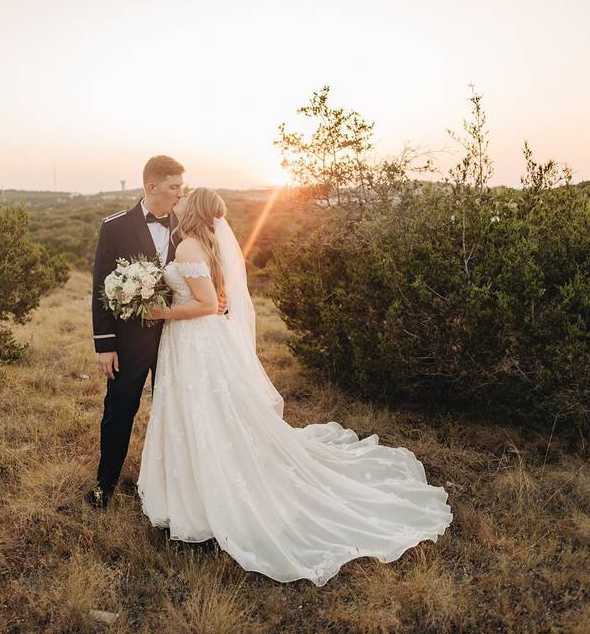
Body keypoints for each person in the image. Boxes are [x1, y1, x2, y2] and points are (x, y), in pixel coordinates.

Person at [136, 187, 454, 587]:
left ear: (193, 209)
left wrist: (160, 310)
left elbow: (204, 306)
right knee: (206, 414)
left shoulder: (188, 249)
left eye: (184, 198)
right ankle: (194, 488)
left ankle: (202, 499)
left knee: (203, 414)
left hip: (195, 341)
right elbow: (215, 300)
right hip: (198, 343)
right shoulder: (206, 244)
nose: (178, 201)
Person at [85, 155, 226, 508]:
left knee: (179, 412)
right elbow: (101, 287)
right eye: (174, 187)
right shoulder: (114, 226)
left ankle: (180, 491)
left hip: (180, 341)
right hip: (130, 342)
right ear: (152, 187)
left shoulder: (188, 227)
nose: (181, 194)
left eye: (182, 186)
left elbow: (208, 275)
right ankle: (106, 485)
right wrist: (105, 345)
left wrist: (223, 305)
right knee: (119, 411)